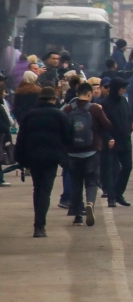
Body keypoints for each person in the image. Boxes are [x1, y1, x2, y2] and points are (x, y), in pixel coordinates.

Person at [14, 87, 73, 237]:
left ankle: (37, 224)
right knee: (45, 191)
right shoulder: (60, 115)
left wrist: (20, 159)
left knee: (37, 189)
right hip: (51, 158)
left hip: (33, 157)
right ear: (53, 99)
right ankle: (40, 225)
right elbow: (68, 138)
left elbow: (21, 139)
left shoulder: (29, 115)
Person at [62, 81, 113, 226]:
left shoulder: (68, 109)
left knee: (76, 182)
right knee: (92, 181)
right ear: (90, 94)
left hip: (73, 152)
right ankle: (90, 203)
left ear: (77, 94)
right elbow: (108, 125)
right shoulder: (95, 108)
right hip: (91, 151)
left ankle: (78, 214)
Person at [100, 77, 133, 207]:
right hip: (112, 142)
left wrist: (130, 126)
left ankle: (118, 193)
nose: (124, 90)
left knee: (127, 166)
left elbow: (128, 117)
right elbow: (102, 125)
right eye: (122, 88)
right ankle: (111, 197)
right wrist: (108, 137)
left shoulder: (124, 101)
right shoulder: (105, 104)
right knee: (111, 170)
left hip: (125, 140)